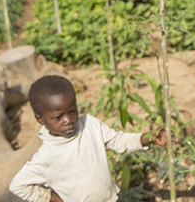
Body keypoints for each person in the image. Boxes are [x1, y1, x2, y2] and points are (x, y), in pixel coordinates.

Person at [9, 75, 167, 202]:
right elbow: (18, 185)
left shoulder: (89, 125)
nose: (68, 120)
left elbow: (118, 141)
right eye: (58, 117)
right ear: (40, 119)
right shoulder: (46, 156)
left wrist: (149, 138)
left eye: (72, 111)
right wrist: (51, 198)